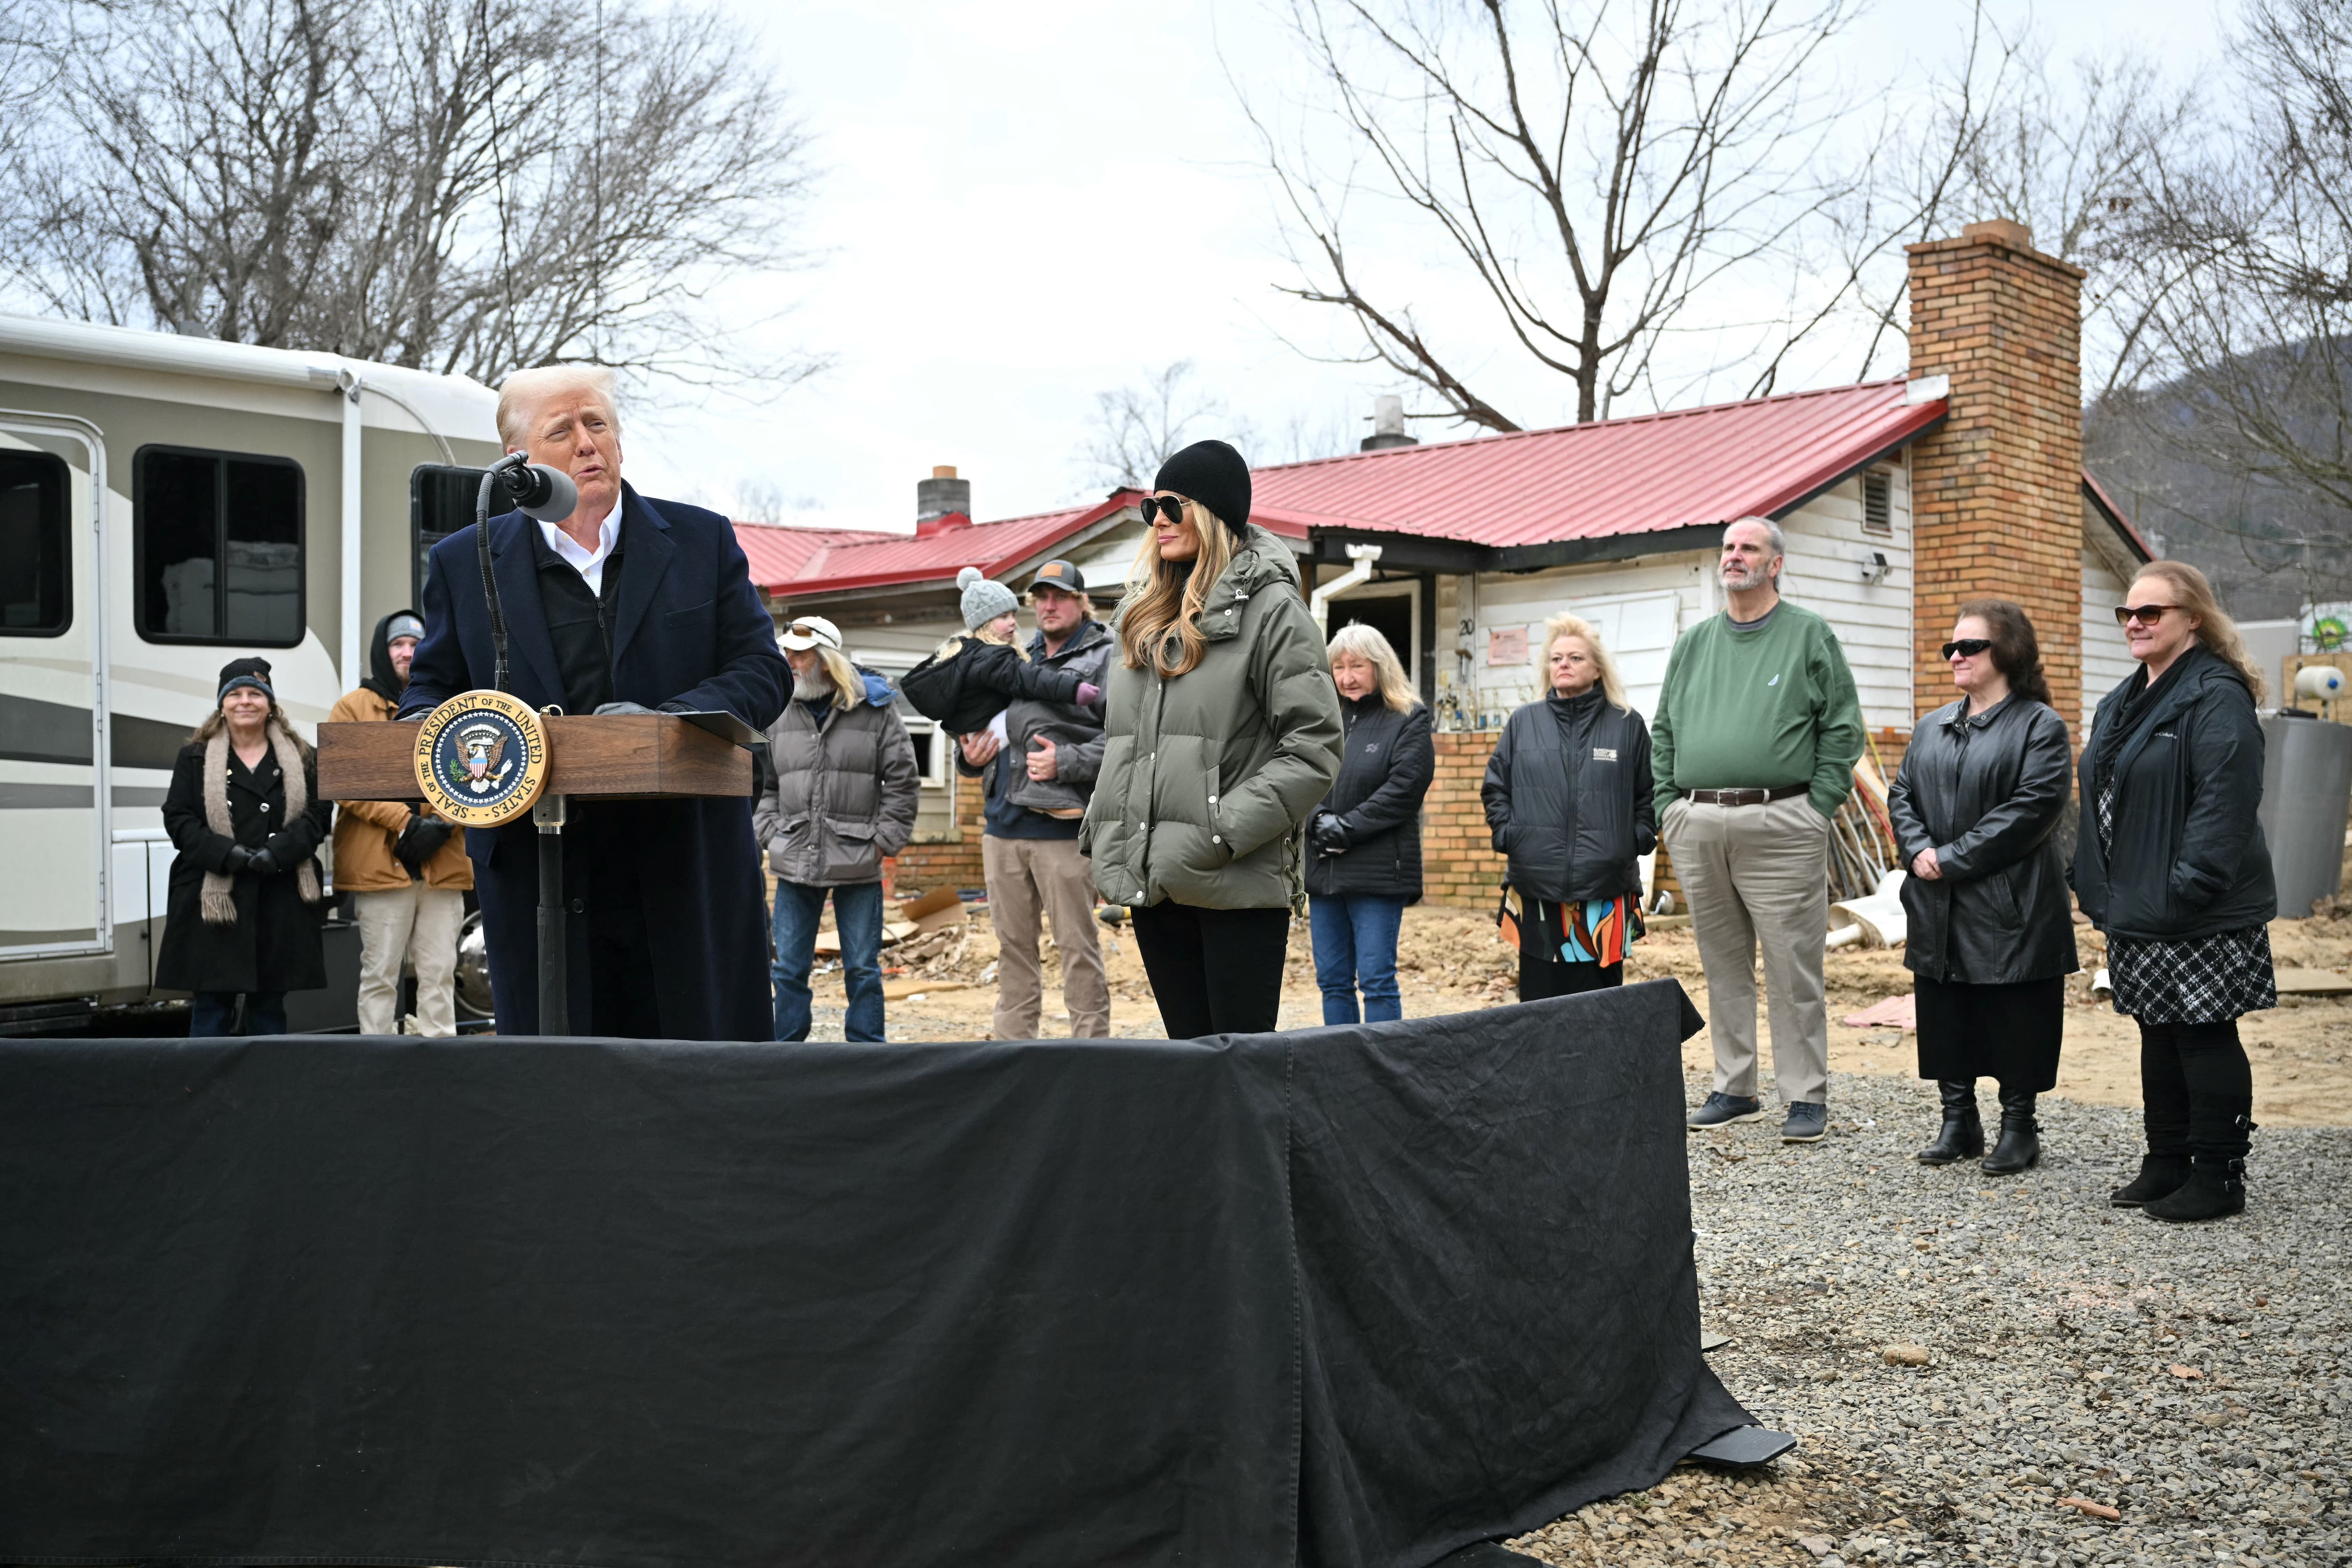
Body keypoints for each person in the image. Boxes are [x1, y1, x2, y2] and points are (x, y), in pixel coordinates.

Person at [400, 365, 788, 1039]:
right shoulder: (468, 562)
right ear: (517, 460)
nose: (587, 443)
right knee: (563, 1095)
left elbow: (761, 670)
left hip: (683, 862)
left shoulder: (701, 541)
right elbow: (434, 687)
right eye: (563, 429)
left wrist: (669, 723)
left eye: (598, 424)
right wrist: (420, 731)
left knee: (700, 1076)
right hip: (539, 871)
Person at [1081, 438, 1343, 1038]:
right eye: (1151, 509)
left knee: (1241, 1072)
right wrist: (1104, 829)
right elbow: (1125, 744)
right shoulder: (1139, 618)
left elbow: (1315, 746)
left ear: (1214, 514)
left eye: (1173, 505)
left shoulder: (1274, 612)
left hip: (1235, 883)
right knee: (1190, 1065)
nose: (1160, 521)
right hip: (1154, 880)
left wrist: (1220, 830)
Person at [2072, 561, 2276, 1223]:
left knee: (2203, 1034)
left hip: (2199, 905)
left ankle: (2218, 1175)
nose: (2135, 622)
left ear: (2194, 619)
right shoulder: (2124, 698)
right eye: (2127, 613)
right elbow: (2098, 793)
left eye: (2151, 612)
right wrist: (2090, 880)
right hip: (2139, 904)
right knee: (2156, 1032)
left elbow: (2226, 802)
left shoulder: (2217, 695)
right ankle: (2167, 1162)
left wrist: (2188, 888)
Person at [1655, 517, 1866, 1142]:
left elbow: (1843, 727)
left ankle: (1805, 1095)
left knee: (1792, 964)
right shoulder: (1694, 643)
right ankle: (1735, 1085)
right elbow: (1663, 728)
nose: (1733, 557)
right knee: (1722, 964)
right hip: (1699, 820)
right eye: (1727, 547)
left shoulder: (1808, 636)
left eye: (1748, 547)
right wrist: (1670, 805)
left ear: (1775, 564)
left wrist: (1817, 804)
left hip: (1783, 820)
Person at [1888, 602, 2077, 1174]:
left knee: (2015, 1013)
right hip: (1937, 898)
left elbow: (2031, 810)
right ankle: (1957, 1120)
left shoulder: (2039, 726)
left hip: (2010, 902)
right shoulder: (1931, 725)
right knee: (1947, 1008)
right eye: (1951, 647)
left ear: (2008, 653)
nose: (1955, 656)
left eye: (1969, 646)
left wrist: (1949, 859)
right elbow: (1902, 794)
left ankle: (2018, 1127)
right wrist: (1920, 850)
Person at [954, 561, 1114, 1040]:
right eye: (1041, 596)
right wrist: (968, 757)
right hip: (1002, 829)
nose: (1049, 605)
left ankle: (1092, 1058)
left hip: (1063, 831)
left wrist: (1067, 761)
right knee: (1012, 949)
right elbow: (981, 731)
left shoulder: (1108, 658)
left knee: (1076, 948)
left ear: (1081, 602)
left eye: (1060, 596)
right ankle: (1014, 1057)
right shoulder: (1013, 658)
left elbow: (1130, 739)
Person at [757, 615, 921, 1043]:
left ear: (827, 661)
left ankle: (867, 1054)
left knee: (863, 968)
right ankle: (785, 1052)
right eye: (788, 651)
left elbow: (903, 779)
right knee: (788, 968)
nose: (789, 659)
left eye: (800, 653)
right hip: (794, 858)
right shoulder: (779, 707)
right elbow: (764, 782)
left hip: (858, 860)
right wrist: (770, 832)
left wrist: (885, 840)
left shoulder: (876, 709)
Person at [1482, 613, 1655, 1000]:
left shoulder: (1627, 725)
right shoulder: (1524, 723)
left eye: (1576, 658)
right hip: (1537, 889)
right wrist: (1512, 836)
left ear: (1597, 669)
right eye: (1557, 657)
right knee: (1540, 1010)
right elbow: (1496, 789)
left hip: (1605, 893)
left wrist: (1633, 841)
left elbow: (1650, 794)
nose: (1564, 664)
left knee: (1602, 1009)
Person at [156, 659, 331, 1035]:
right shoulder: (194, 757)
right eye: (235, 694)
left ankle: (266, 1091)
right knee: (211, 1006)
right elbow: (178, 818)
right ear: (222, 704)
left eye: (255, 693)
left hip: (279, 895)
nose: (245, 701)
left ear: (271, 703)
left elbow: (318, 816)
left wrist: (279, 852)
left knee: (269, 1006)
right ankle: (203, 1088)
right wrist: (224, 854)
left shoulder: (304, 757)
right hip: (215, 896)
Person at [327, 609, 473, 1037]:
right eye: (398, 644)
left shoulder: (456, 706)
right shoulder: (352, 708)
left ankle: (439, 1058)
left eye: (415, 644)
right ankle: (377, 1061)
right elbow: (344, 781)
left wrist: (442, 825)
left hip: (442, 865)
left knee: (439, 972)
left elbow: (479, 781)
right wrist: (407, 824)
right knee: (379, 975)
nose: (407, 652)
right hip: (379, 869)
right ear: (382, 651)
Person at [1306, 621, 1434, 1024]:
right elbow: (1298, 774)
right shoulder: (1321, 719)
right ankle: (1340, 1068)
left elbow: (1404, 789)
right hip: (1324, 872)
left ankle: (1382, 1073)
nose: (1346, 677)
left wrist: (1347, 828)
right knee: (1332, 981)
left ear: (1380, 667)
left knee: (1377, 980)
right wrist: (1316, 819)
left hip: (1378, 873)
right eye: (1339, 667)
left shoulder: (1408, 718)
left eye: (1357, 666)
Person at [902, 566, 1103, 733]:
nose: (1013, 623)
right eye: (1004, 617)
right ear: (985, 622)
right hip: (990, 734)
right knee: (1032, 715)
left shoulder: (966, 653)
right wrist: (1074, 689)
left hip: (974, 731)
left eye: (1013, 616)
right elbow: (1029, 679)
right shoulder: (993, 657)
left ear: (1083, 602)